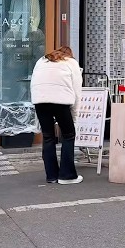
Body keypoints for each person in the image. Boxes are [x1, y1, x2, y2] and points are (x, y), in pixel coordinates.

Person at [30, 45, 84, 184]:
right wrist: (75, 116)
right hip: (61, 101)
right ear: (69, 55)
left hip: (40, 100)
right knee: (68, 134)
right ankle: (67, 175)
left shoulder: (41, 61)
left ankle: (51, 176)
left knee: (48, 137)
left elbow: (33, 83)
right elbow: (77, 91)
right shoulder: (71, 63)